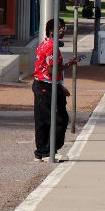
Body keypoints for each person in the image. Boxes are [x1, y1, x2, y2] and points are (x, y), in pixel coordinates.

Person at [33, 18, 76, 162]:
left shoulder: (45, 43)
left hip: (42, 84)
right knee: (59, 119)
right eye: (60, 28)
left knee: (42, 120)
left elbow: (48, 69)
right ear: (51, 31)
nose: (63, 30)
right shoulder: (52, 46)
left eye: (64, 27)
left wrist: (60, 85)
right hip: (46, 87)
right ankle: (50, 151)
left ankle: (41, 152)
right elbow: (52, 70)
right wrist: (58, 82)